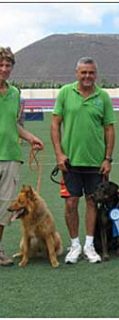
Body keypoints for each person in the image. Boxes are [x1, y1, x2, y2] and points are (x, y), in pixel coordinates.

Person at [51, 57, 116, 264]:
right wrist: (59, 154)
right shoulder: (64, 93)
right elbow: (55, 125)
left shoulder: (103, 96)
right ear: (76, 73)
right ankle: (74, 245)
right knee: (71, 203)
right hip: (70, 162)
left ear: (95, 74)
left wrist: (107, 158)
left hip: (96, 163)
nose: (87, 76)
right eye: (83, 72)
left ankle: (89, 245)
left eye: (91, 72)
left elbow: (109, 129)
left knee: (91, 202)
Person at [0, 46, 44, 266]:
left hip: (10, 156)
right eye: (1, 65)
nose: (4, 69)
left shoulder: (16, 93)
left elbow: (15, 125)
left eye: (8, 65)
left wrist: (30, 138)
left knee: (4, 207)